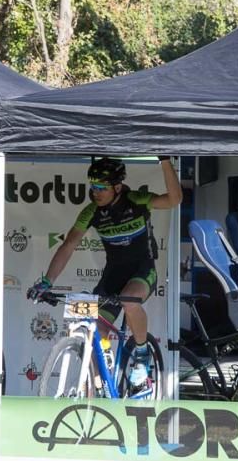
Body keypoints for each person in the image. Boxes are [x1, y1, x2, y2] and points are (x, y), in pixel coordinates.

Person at [27, 156, 182, 390]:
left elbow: (174, 199)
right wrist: (47, 281)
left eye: (101, 187)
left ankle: (141, 354)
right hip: (112, 276)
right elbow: (68, 246)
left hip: (141, 271)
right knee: (94, 331)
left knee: (129, 302)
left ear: (117, 187)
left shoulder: (135, 200)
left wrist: (165, 161)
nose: (95, 193)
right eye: (92, 187)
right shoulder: (91, 212)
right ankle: (99, 386)